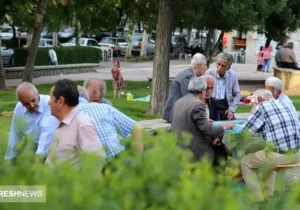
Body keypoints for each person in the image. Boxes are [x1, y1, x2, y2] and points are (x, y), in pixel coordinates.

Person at [241, 89, 300, 203]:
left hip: (280, 155)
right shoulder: (284, 103)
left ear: (259, 100)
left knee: (245, 161)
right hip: (297, 154)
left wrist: (255, 106)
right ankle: (269, 195)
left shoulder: (262, 106)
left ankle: (259, 200)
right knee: (266, 152)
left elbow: (246, 131)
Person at [170, 77, 234, 165]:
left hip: (179, 147)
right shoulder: (198, 104)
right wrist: (224, 126)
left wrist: (205, 121)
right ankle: (215, 177)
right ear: (203, 91)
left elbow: (185, 122)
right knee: (221, 153)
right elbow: (207, 130)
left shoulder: (179, 102)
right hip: (195, 150)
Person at [46, 79, 106, 170]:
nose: (48, 102)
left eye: (51, 98)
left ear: (61, 101)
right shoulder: (63, 123)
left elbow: (96, 161)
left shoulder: (82, 125)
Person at [77, 86, 143, 161]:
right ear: (88, 98)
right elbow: (137, 128)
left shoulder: (66, 115)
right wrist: (137, 160)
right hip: (117, 161)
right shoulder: (105, 108)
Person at [5, 82, 58, 161]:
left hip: (53, 147)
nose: (32, 105)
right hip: (32, 146)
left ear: (37, 93)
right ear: (21, 103)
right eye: (26, 104)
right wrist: (10, 157)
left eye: (33, 100)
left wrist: (39, 158)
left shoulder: (49, 103)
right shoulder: (19, 108)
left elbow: (47, 133)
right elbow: (15, 134)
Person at [163, 53, 207, 122]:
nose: (206, 68)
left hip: (178, 113)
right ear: (198, 66)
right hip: (175, 115)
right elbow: (189, 98)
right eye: (204, 65)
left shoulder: (189, 74)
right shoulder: (188, 76)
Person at [201, 74, 230, 167]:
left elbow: (216, 121)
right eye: (207, 88)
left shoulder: (213, 102)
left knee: (223, 151)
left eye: (211, 88)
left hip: (212, 137)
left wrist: (217, 137)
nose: (209, 91)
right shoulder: (196, 103)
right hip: (201, 139)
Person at [206, 52, 241, 120]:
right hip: (211, 104)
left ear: (228, 67)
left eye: (223, 66)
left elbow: (237, 94)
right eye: (218, 64)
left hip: (225, 105)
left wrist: (231, 109)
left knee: (232, 126)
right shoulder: (208, 73)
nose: (219, 68)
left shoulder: (233, 75)